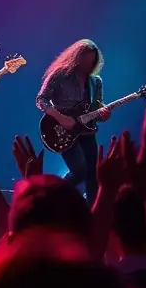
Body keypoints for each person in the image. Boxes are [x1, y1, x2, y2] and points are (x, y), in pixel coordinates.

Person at [36, 39, 111, 204]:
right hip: (62, 130)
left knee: (93, 174)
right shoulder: (60, 75)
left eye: (92, 62)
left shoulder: (95, 81)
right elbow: (41, 100)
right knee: (80, 171)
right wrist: (61, 118)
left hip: (87, 131)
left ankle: (93, 210)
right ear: (77, 57)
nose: (88, 65)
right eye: (85, 60)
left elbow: (97, 107)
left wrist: (103, 113)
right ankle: (54, 193)